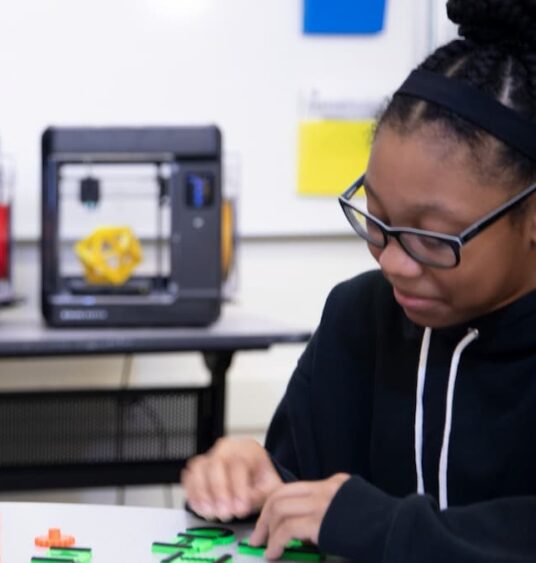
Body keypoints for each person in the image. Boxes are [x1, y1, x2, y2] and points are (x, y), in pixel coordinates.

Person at [181, 1, 536, 561]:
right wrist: (255, 479)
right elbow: (306, 490)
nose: (391, 262)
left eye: (433, 237)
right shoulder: (358, 317)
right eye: (376, 217)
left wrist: (380, 525)